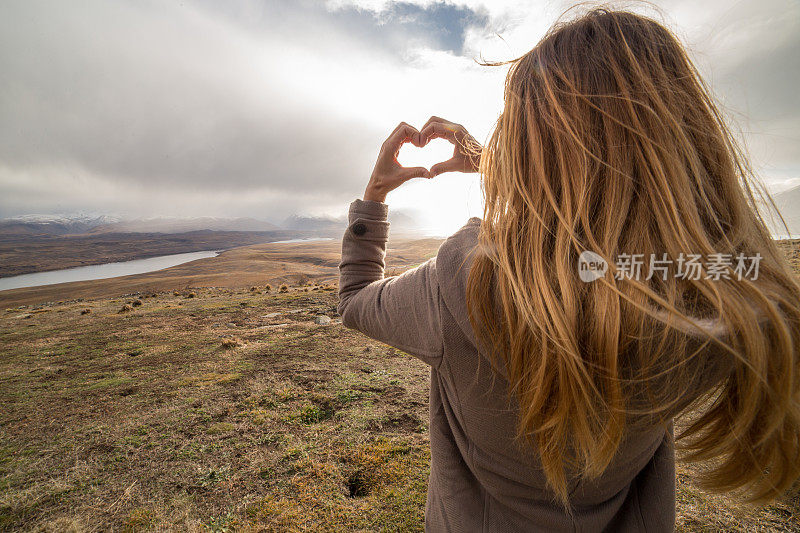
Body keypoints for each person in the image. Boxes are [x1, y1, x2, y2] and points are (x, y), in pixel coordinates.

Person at [338, 8, 800, 532]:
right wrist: (496, 162)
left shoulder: (462, 283)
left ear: (528, 146)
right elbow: (601, 239)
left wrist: (374, 198)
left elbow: (355, 300)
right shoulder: (719, 298)